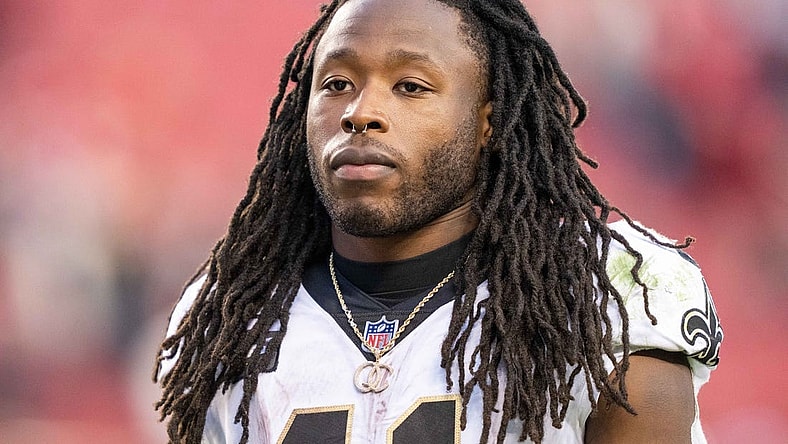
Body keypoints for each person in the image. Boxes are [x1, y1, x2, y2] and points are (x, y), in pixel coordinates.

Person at [154, 0, 723, 442]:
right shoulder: (230, 315)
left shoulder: (607, 292)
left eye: (410, 87)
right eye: (337, 85)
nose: (360, 113)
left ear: (489, 122)